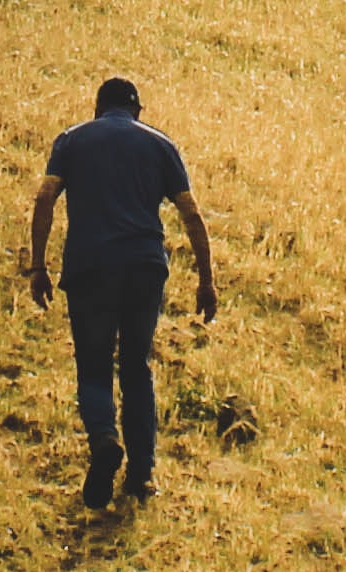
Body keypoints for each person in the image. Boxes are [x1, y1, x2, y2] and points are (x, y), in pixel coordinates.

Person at [24, 75, 214, 505]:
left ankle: (105, 439)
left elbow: (44, 198)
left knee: (93, 365)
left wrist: (38, 266)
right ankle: (142, 473)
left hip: (90, 266)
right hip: (145, 268)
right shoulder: (159, 144)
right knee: (136, 367)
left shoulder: (72, 141)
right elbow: (191, 213)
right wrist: (206, 280)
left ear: (97, 108)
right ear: (138, 111)